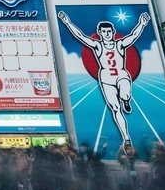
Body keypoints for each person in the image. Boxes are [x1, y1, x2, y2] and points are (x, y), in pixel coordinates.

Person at [57, 11, 151, 151]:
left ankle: (126, 100)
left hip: (121, 74)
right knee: (115, 108)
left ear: (113, 32)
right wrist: (67, 22)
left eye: (109, 31)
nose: (106, 34)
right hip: (106, 78)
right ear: (99, 33)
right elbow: (80, 36)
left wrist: (142, 24)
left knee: (125, 94)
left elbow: (133, 36)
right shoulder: (98, 46)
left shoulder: (119, 44)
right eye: (104, 31)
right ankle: (126, 137)